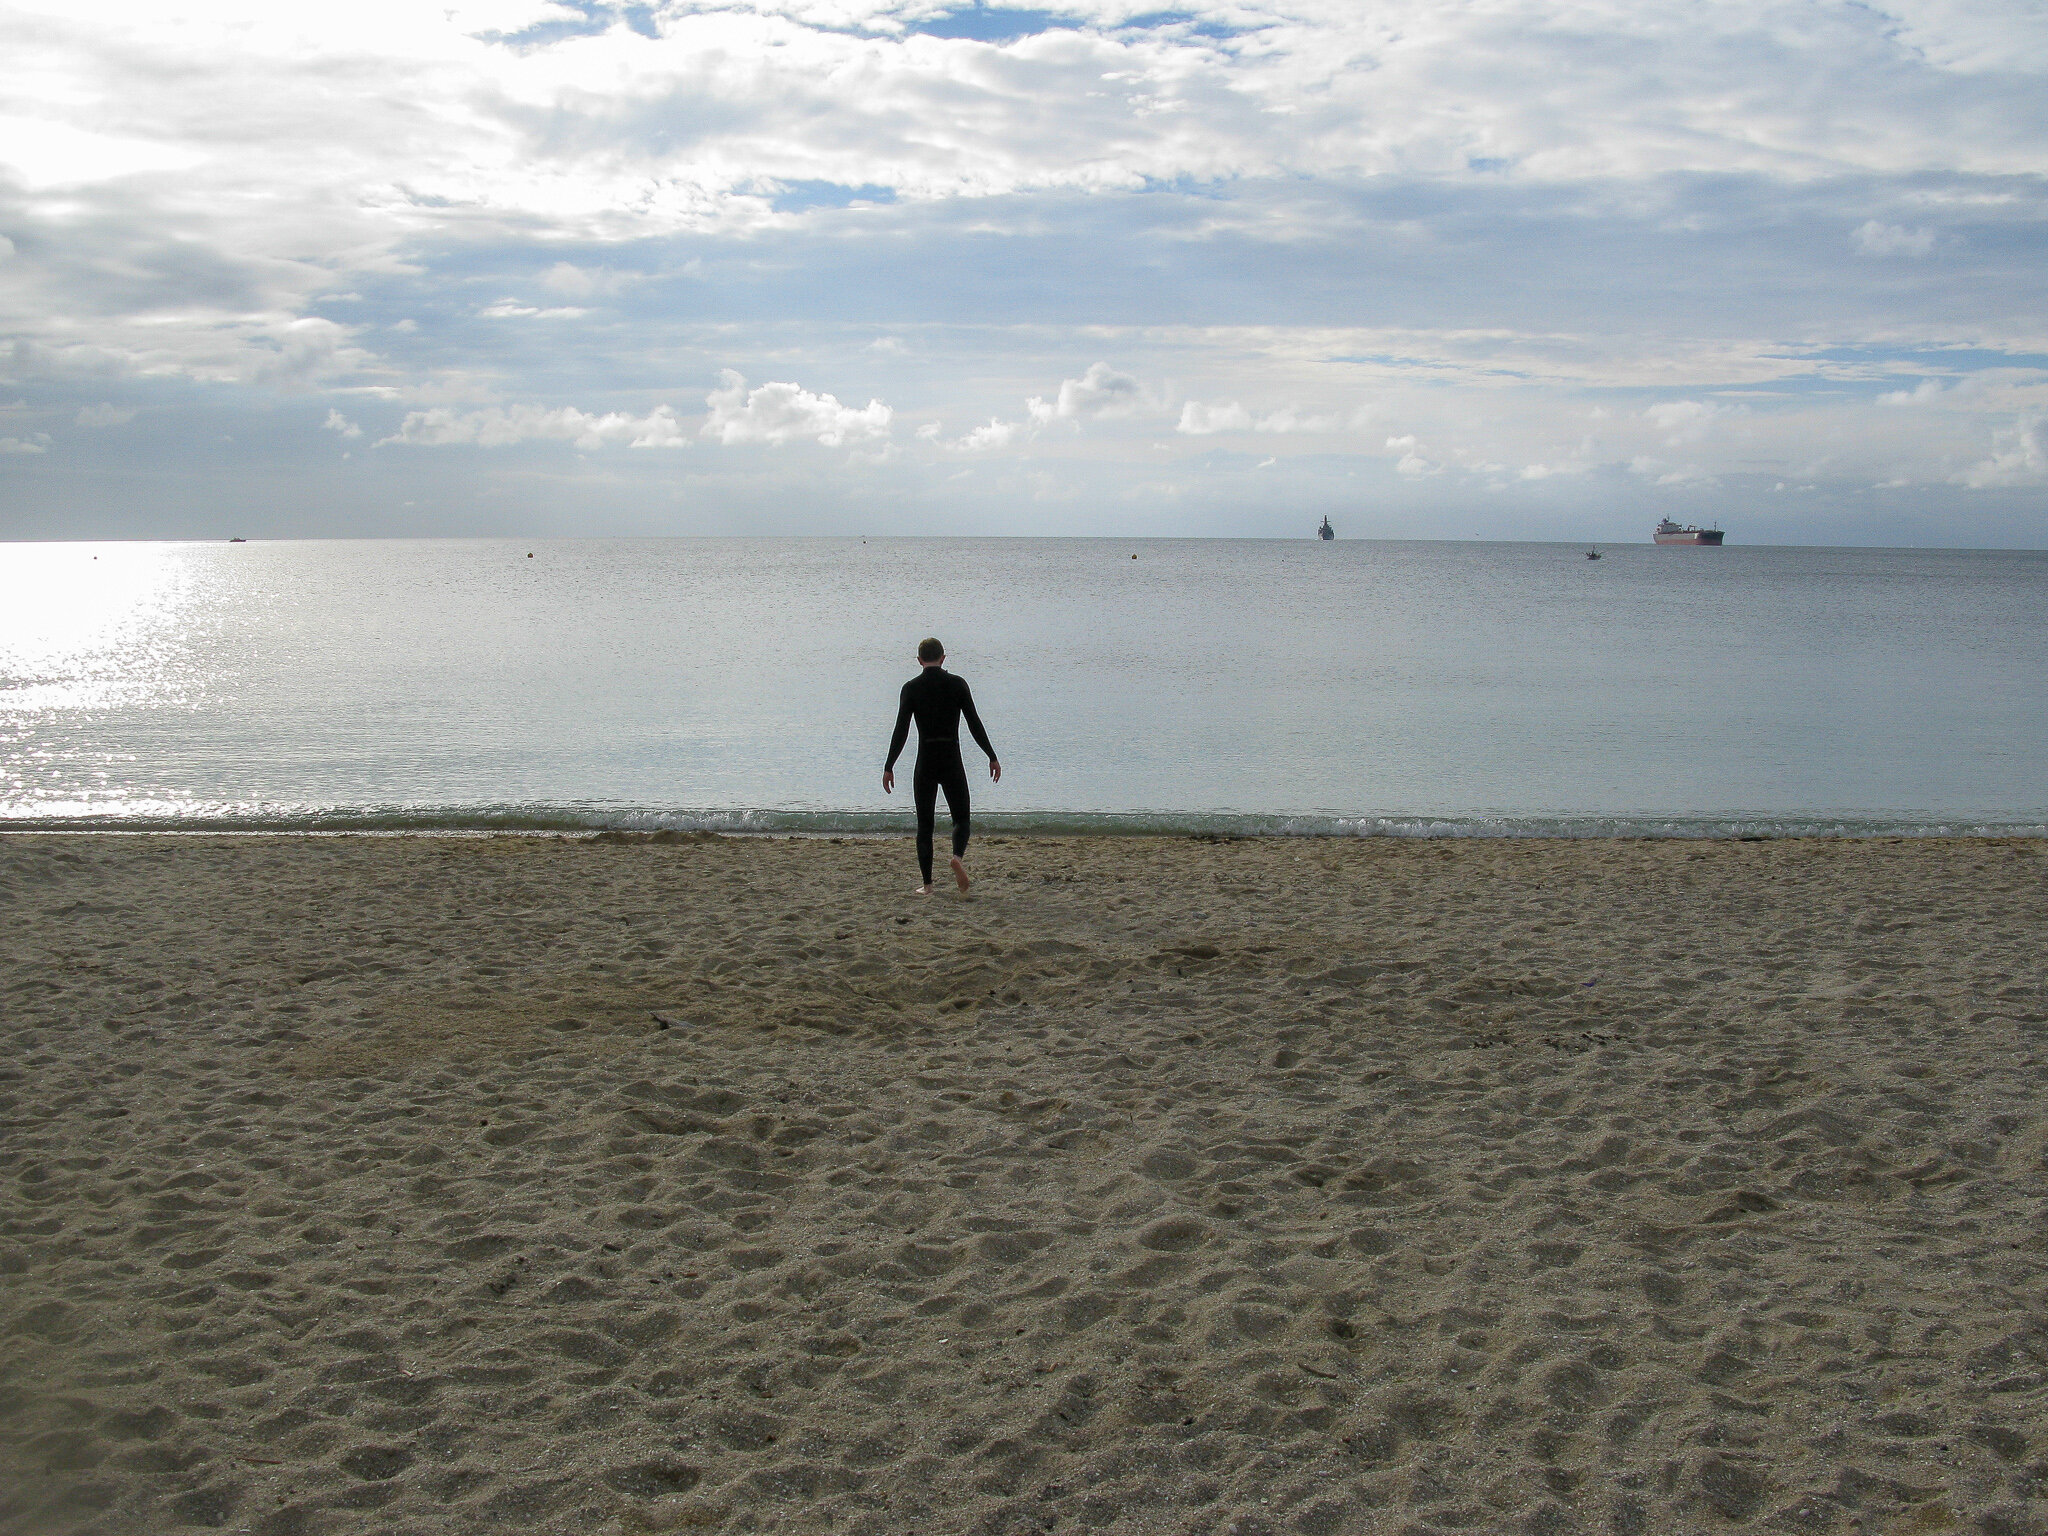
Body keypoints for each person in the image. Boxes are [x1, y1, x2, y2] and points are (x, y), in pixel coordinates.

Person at [883, 638, 1000, 895]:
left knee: (925, 826)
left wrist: (889, 765)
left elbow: (901, 730)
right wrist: (991, 755)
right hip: (951, 759)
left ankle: (927, 885)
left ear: (920, 660)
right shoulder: (957, 684)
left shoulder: (910, 688)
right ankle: (957, 857)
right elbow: (974, 723)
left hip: (925, 760)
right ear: (944, 658)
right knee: (961, 819)